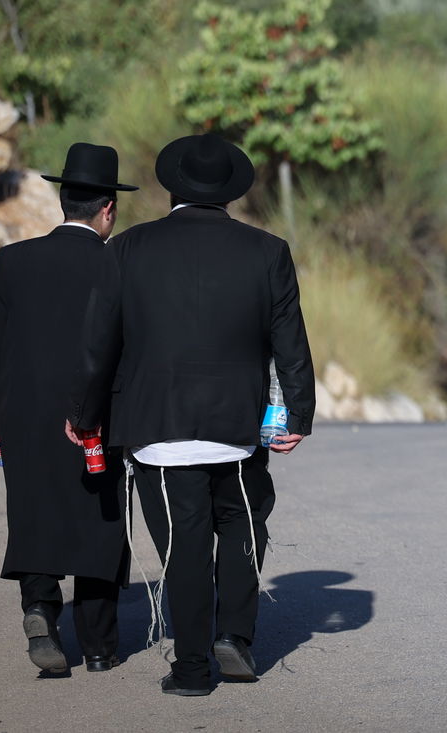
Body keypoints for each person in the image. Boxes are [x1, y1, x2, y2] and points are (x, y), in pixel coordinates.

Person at [68, 132, 316, 697]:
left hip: (158, 431)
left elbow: (97, 344)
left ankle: (194, 668)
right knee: (242, 530)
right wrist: (297, 411)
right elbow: (290, 342)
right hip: (240, 428)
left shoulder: (127, 248)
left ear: (172, 184)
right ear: (229, 191)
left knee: (184, 547)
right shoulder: (268, 250)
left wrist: (84, 413)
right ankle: (235, 638)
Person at [0, 143, 137, 674]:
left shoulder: (14, 260)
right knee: (99, 523)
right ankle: (100, 646)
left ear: (64, 201)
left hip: (25, 417)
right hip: (95, 418)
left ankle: (40, 609)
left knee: (34, 513)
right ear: (107, 209)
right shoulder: (118, 263)